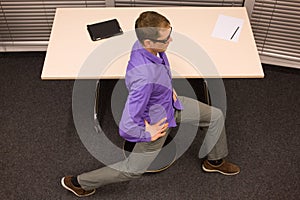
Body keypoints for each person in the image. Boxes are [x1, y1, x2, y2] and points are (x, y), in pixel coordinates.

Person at [61, 11, 240, 197]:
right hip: (157, 122)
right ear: (148, 42)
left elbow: (159, 70)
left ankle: (215, 162)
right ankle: (79, 182)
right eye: (165, 39)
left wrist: (167, 88)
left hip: (170, 104)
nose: (170, 41)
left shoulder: (146, 46)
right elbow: (126, 126)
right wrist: (147, 133)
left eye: (170, 34)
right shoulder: (144, 79)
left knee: (215, 116)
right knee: (132, 170)